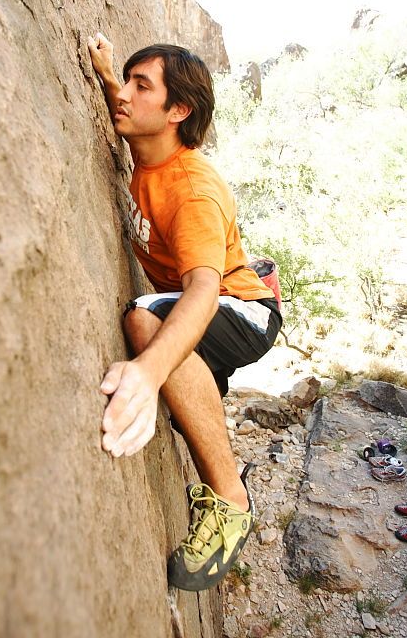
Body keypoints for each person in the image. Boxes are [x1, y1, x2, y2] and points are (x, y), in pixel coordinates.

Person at [87, 33, 282, 591]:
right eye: (127, 84)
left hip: (243, 310)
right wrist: (109, 75)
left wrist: (148, 373)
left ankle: (232, 501)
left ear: (178, 111)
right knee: (170, 356)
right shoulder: (149, 145)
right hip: (211, 306)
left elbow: (201, 292)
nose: (125, 96)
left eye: (142, 86)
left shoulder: (193, 188)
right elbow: (129, 111)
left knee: (144, 318)